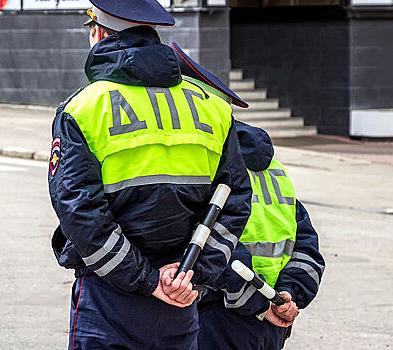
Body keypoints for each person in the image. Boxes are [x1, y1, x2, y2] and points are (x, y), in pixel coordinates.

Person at [48, 1, 253, 349]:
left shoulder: (83, 109)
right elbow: (234, 201)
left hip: (109, 300)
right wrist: (193, 273)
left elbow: (80, 211)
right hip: (182, 296)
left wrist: (146, 279)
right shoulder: (211, 106)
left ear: (97, 32)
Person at [169, 42, 325, 349]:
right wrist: (288, 295)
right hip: (272, 322)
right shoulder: (274, 169)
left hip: (219, 320)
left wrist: (262, 304)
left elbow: (211, 247)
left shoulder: (206, 164)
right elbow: (307, 247)